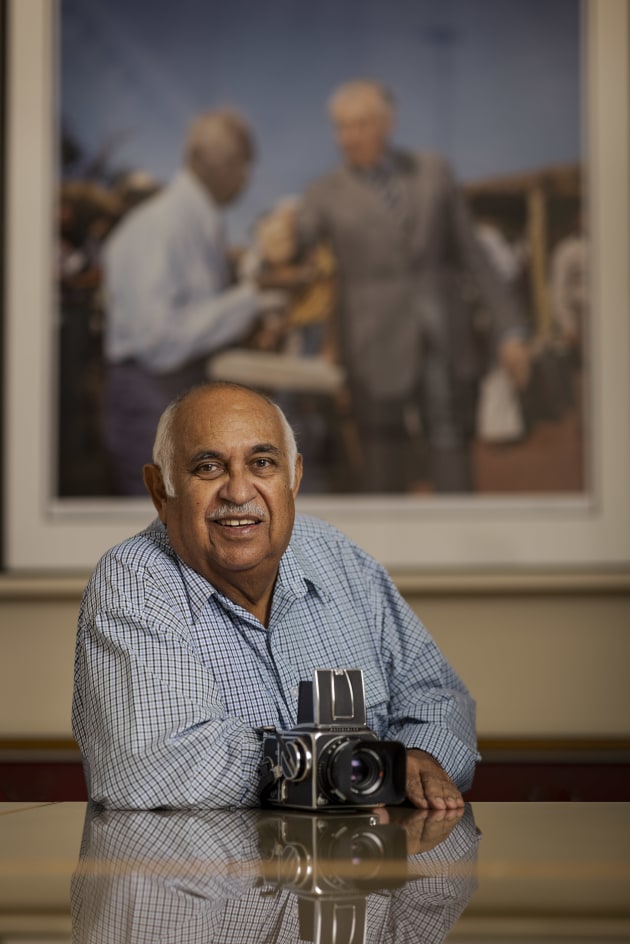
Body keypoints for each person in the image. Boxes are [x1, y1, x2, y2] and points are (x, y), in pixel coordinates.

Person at [72, 381, 479, 810]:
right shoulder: (134, 580)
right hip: (199, 874)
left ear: (294, 477)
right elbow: (153, 765)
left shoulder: (336, 556)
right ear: (160, 491)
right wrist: (342, 769)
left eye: (262, 463)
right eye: (208, 467)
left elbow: (439, 699)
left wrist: (417, 760)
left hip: (363, 866)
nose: (239, 492)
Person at [294, 79, 531, 493]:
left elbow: (474, 256)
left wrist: (510, 330)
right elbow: (298, 241)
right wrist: (280, 238)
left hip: (443, 340)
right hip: (371, 351)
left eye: (359, 124)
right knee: (382, 468)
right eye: (340, 127)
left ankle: (460, 549)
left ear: (387, 124)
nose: (347, 137)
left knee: (451, 450)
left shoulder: (434, 172)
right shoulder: (323, 193)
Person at [101, 109, 278, 494]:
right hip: (152, 398)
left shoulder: (190, 222)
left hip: (169, 395)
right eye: (242, 164)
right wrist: (252, 297)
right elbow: (160, 341)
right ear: (209, 160)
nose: (245, 178)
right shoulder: (162, 226)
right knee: (155, 539)